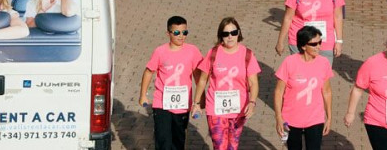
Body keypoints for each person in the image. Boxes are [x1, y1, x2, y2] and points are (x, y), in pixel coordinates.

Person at [192, 18, 261, 150]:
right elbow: (202, 80)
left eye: (233, 32)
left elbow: (253, 83)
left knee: (233, 146)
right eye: (225, 34)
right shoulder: (213, 53)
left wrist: (252, 103)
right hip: (216, 109)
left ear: (238, 33)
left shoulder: (247, 54)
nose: (230, 37)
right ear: (220, 36)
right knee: (220, 145)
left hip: (239, 109)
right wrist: (196, 103)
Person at [139, 16, 202, 150]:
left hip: (183, 104)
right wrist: (143, 95)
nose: (181, 36)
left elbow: (198, 76)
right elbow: (149, 72)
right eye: (177, 33)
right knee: (163, 140)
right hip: (162, 103)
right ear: (168, 33)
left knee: (178, 140)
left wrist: (200, 97)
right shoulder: (160, 51)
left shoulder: (193, 51)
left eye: (184, 32)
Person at [274, 26, 333, 150]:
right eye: (314, 44)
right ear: (303, 46)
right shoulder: (289, 62)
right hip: (291, 119)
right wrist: (279, 117)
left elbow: (326, 91)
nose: (318, 46)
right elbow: (279, 92)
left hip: (315, 119)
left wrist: (329, 117)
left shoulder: (324, 63)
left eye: (320, 42)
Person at [276, 0, 344, 63]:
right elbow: (288, 17)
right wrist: (280, 41)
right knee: (301, 74)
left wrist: (339, 41)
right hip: (301, 41)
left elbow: (338, 16)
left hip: (324, 41)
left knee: (322, 76)